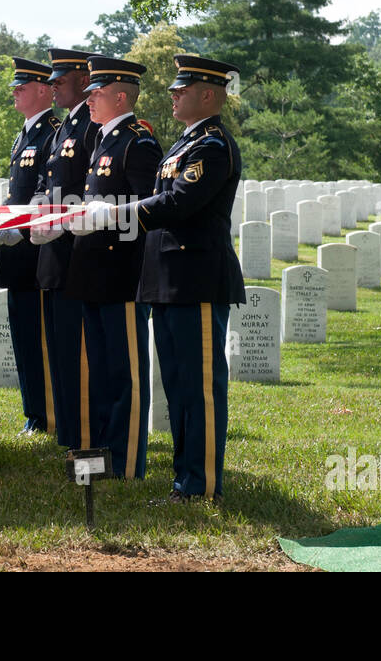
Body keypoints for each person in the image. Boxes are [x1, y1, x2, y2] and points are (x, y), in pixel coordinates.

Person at [117, 53, 245, 503]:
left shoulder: (211, 144)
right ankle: (183, 482)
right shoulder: (183, 143)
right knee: (177, 386)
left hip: (197, 280)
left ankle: (202, 484)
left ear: (208, 94)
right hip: (169, 280)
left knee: (200, 388)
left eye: (182, 89)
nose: (172, 94)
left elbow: (179, 203)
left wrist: (120, 214)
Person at [61, 54, 161, 480]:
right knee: (99, 375)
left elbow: (147, 212)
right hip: (92, 274)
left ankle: (126, 465)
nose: (89, 101)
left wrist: (107, 212)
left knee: (125, 378)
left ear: (121, 96)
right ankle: (101, 458)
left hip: (121, 275)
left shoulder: (138, 142)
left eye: (97, 93)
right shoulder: (102, 139)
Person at [31, 48, 99, 450]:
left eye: (60, 79)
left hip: (77, 254)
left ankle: (83, 436)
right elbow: (49, 179)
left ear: (81, 79)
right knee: (59, 353)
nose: (53, 85)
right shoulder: (65, 129)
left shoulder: (91, 127)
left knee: (78, 356)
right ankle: (68, 434)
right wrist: (37, 209)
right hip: (54, 255)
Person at [0, 58, 59, 435]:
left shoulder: (53, 132)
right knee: (23, 335)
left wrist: (19, 226)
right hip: (17, 249)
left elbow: (48, 193)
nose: (15, 91)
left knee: (40, 337)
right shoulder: (24, 133)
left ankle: (47, 415)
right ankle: (34, 412)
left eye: (23, 86)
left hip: (38, 250)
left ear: (45, 90)